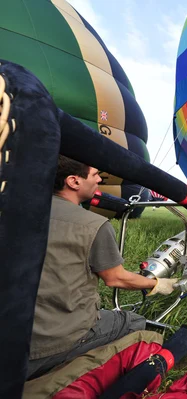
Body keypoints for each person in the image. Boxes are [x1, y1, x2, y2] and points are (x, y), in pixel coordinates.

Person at [27, 155, 178, 380]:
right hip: (55, 340)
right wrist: (158, 284)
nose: (99, 179)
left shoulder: (21, 213)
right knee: (134, 322)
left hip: (16, 329)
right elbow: (116, 279)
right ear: (73, 181)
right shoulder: (94, 225)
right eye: (95, 174)